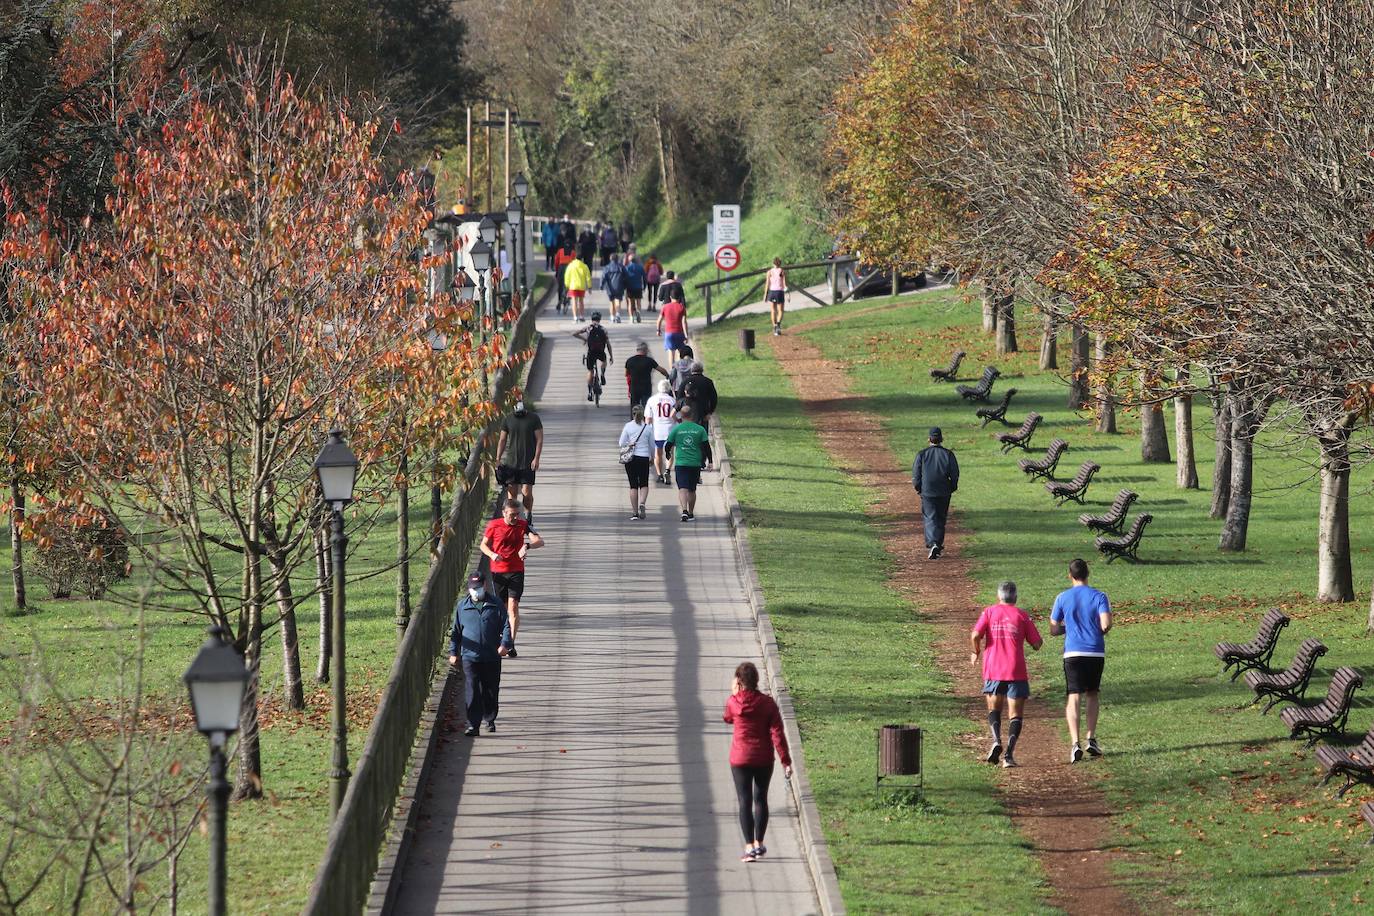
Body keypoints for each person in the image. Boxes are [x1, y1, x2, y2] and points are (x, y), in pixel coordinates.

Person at [723, 661, 791, 863]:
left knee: (744, 802)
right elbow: (777, 733)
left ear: (739, 681)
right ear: (756, 680)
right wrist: (785, 760)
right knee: (760, 799)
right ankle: (759, 843)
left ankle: (749, 846)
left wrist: (734, 693)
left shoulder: (733, 702)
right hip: (763, 757)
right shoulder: (768, 704)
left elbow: (727, 718)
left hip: (740, 758)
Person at [971, 581, 1043, 768]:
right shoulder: (1022, 615)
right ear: (1016, 597)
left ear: (998, 597)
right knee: (1015, 715)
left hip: (994, 669)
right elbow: (1036, 643)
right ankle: (1009, 756)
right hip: (1016, 670)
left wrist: (976, 651)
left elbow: (975, 635)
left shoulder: (989, 612)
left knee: (994, 710)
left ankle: (996, 741)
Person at [1050, 558, 1112, 763]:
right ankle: (1091, 738)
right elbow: (1106, 625)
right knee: (1092, 694)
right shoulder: (1100, 596)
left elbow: (1053, 629)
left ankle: (1075, 743)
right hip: (1095, 651)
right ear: (1088, 573)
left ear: (1070, 575)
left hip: (1072, 653)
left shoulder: (1062, 597)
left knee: (1073, 696)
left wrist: (1070, 628)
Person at [448, 572, 513, 736]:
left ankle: (490, 719)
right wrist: (453, 652)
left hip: (491, 655)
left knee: (490, 689)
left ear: (484, 585)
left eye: (477, 587)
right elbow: (455, 632)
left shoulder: (496, 604)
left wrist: (505, 644)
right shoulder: (462, 606)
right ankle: (473, 724)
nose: (475, 591)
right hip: (470, 656)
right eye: (472, 588)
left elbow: (506, 626)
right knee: (472, 689)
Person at [480, 499, 545, 658]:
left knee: (513, 607)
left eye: (517, 514)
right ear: (504, 513)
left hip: (516, 571)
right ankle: (503, 637)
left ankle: (510, 643)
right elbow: (483, 545)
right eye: (511, 515)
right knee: (501, 609)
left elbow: (540, 541)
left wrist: (527, 546)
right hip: (498, 572)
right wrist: (493, 555)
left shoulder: (523, 525)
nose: (515, 518)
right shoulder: (494, 525)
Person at [911, 427, 959, 560]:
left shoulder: (922, 454)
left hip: (928, 491)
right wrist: (952, 487)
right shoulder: (949, 454)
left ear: (929, 439)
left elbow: (916, 475)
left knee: (930, 517)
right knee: (941, 517)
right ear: (941, 439)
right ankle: (937, 543)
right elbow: (954, 474)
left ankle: (934, 543)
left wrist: (919, 488)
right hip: (944, 491)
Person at [495, 400, 544, 520]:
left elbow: (539, 439)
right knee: (512, 494)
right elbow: (502, 440)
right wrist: (498, 458)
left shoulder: (534, 419)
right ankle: (513, 517)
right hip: (511, 463)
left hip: (528, 462)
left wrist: (536, 458)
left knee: (526, 491)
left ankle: (528, 514)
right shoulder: (508, 419)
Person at [665, 404, 711, 521]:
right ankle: (690, 513)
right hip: (695, 463)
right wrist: (710, 461)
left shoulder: (676, 429)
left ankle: (684, 510)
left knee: (682, 489)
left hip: (681, 463)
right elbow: (707, 447)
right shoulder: (700, 429)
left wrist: (668, 454)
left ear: (681, 415)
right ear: (692, 415)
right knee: (692, 489)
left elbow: (668, 444)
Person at [618, 404, 655, 519]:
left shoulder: (628, 426)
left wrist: (629, 443)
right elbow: (652, 445)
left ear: (632, 414)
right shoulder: (648, 428)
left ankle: (634, 513)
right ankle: (642, 503)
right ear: (643, 414)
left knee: (633, 485)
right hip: (643, 458)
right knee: (644, 483)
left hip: (631, 458)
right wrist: (652, 457)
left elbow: (621, 443)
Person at [572, 312, 612, 401]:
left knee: (590, 371)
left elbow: (574, 334)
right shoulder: (603, 329)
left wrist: (585, 339)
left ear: (592, 319)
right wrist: (611, 356)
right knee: (604, 362)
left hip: (591, 352)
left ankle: (590, 392)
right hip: (600, 352)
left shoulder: (588, 328)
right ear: (600, 319)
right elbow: (608, 344)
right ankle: (602, 373)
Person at [645, 379, 678, 485]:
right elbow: (676, 415)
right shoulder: (672, 400)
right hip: (670, 430)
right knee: (670, 452)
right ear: (668, 388)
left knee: (658, 454)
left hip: (657, 431)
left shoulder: (652, 400)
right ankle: (667, 470)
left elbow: (648, 418)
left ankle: (659, 475)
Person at [623, 340, 669, 409]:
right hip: (646, 388)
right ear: (645, 350)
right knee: (646, 406)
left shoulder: (630, 360)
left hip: (634, 388)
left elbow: (626, 374)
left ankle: (635, 419)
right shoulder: (649, 361)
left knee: (634, 408)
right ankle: (645, 419)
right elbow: (661, 370)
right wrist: (667, 375)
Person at [682, 360, 718, 429]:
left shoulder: (686, 381)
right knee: (702, 435)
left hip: (689, 414)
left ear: (691, 370)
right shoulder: (708, 381)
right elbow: (714, 398)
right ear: (702, 370)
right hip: (703, 414)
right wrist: (710, 412)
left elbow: (679, 397)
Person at [657, 287, 689, 362]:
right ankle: (679, 369)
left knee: (671, 353)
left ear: (670, 297)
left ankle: (672, 371)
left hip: (669, 333)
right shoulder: (682, 307)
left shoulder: (665, 307)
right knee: (680, 353)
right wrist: (686, 335)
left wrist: (658, 330)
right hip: (679, 333)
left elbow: (659, 320)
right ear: (679, 297)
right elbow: (684, 322)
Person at [564, 253, 592, 322]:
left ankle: (575, 317)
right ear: (582, 259)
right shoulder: (584, 266)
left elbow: (567, 276)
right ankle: (581, 316)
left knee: (574, 301)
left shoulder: (571, 266)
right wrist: (589, 286)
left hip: (573, 286)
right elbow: (588, 277)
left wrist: (567, 285)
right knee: (581, 301)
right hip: (581, 286)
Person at [765, 257, 789, 336]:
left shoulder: (769, 272)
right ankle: (778, 324)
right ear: (780, 263)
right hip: (779, 292)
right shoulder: (782, 271)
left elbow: (767, 284)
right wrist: (788, 294)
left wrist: (765, 294)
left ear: (773, 263)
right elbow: (785, 284)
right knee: (780, 310)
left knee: (773, 310)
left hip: (772, 292)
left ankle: (774, 327)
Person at [602, 252, 627, 323]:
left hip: (610, 288)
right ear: (617, 259)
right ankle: (618, 314)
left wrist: (601, 285)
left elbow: (603, 277)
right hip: (619, 286)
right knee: (617, 300)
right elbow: (626, 276)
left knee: (611, 302)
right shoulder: (621, 267)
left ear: (610, 259)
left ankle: (612, 317)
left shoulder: (607, 267)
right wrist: (625, 285)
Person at [553, 241, 577, 312]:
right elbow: (574, 262)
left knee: (560, 286)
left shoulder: (560, 251)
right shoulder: (573, 252)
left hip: (561, 269)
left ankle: (560, 300)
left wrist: (557, 271)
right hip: (570, 268)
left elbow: (556, 262)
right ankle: (567, 298)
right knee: (569, 285)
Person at [624, 253, 646, 323]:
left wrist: (624, 286)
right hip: (638, 287)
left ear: (629, 260)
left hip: (630, 287)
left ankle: (631, 317)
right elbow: (644, 278)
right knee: (638, 302)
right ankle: (638, 313)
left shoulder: (627, 267)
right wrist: (644, 286)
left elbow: (624, 278)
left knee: (630, 302)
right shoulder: (640, 267)